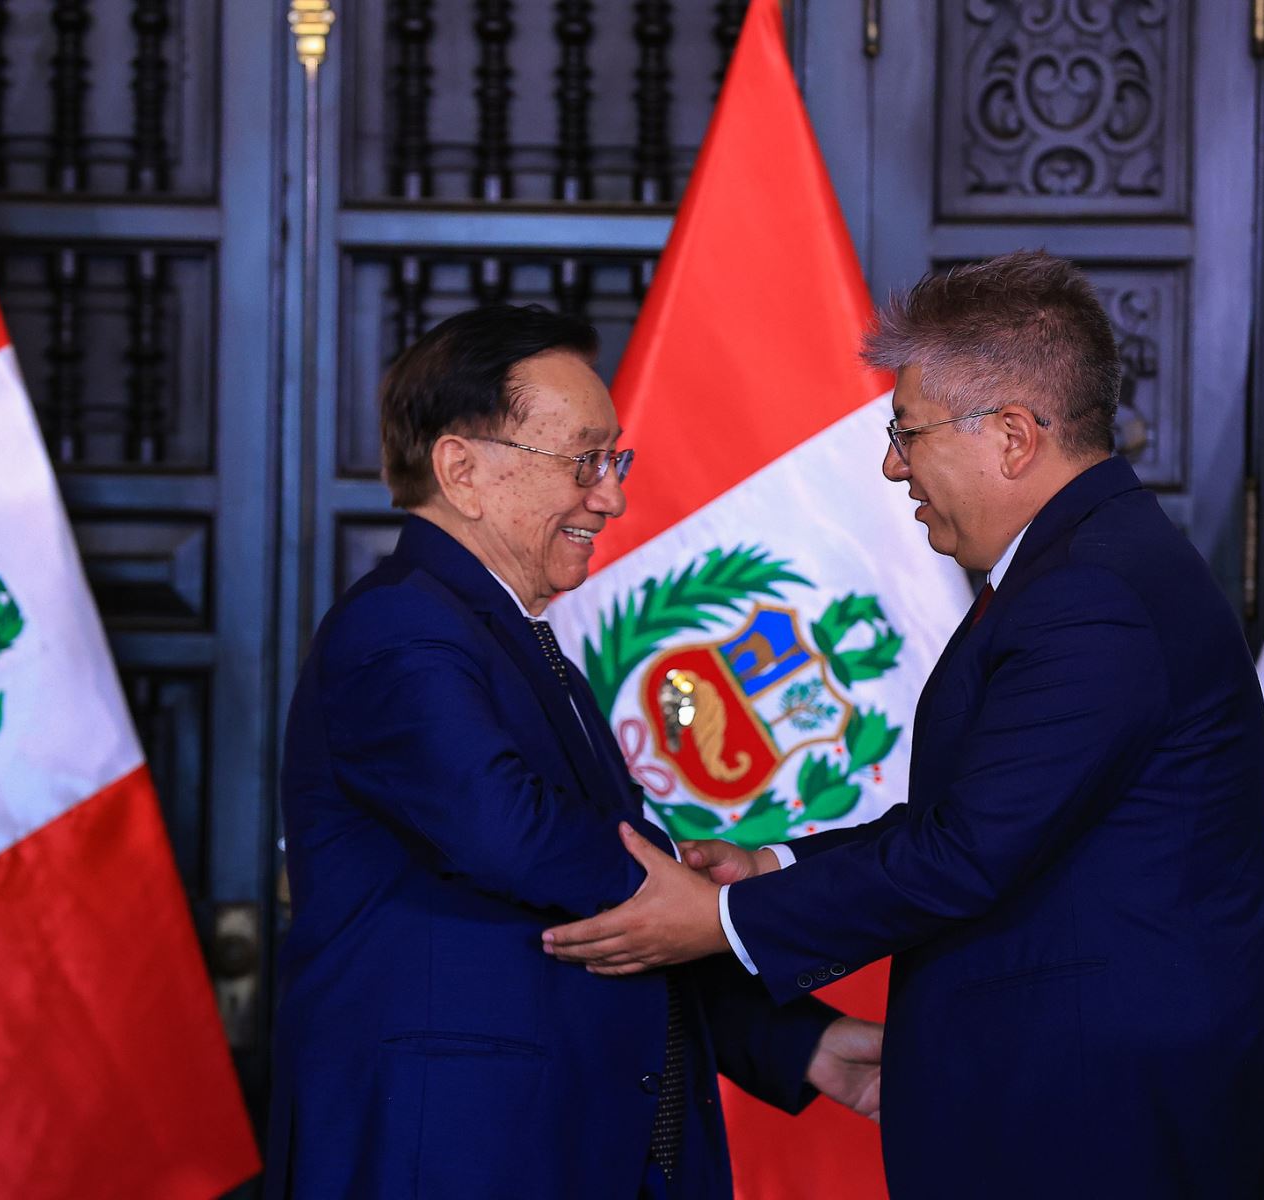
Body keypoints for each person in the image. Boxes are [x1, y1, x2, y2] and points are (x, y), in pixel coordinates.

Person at [544, 254, 1264, 1198]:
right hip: (1086, 1102)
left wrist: (721, 920)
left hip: (1104, 1123)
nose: (891, 462)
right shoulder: (1081, 565)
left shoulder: (1091, 593)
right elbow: (977, 819)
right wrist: (776, 866)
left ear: (1011, 437)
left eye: (906, 431)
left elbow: (968, 855)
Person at [265, 304, 881, 1199]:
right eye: (583, 461)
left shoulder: (512, 635)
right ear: (462, 469)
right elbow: (509, 833)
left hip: (562, 1142)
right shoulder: (400, 627)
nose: (613, 495)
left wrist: (804, 1045)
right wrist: (708, 884)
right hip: (458, 1154)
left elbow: (605, 919)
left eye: (614, 459)